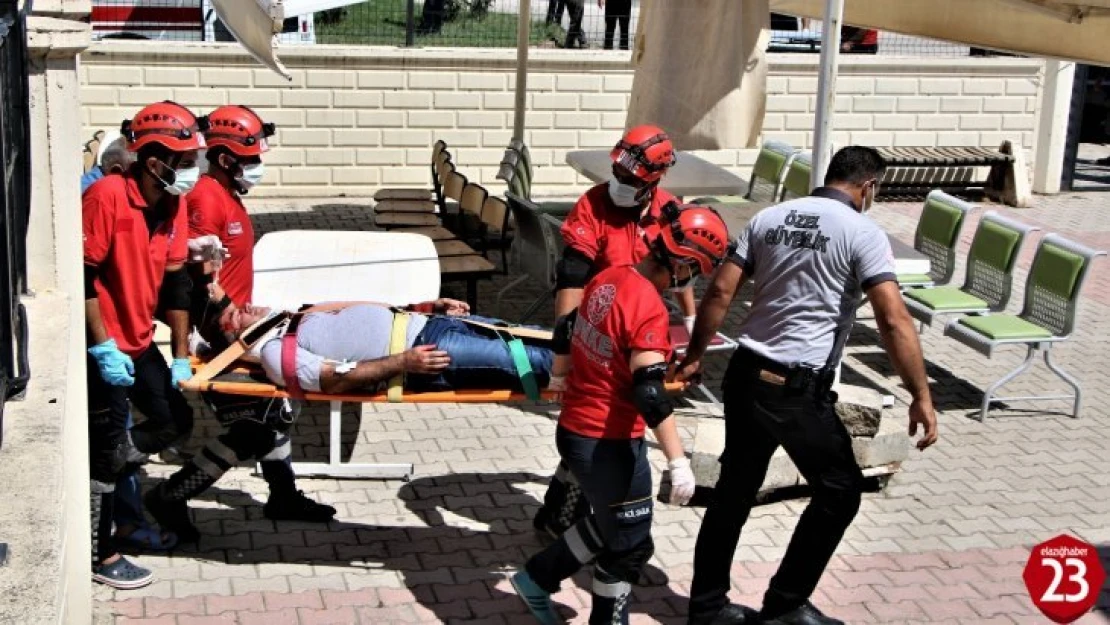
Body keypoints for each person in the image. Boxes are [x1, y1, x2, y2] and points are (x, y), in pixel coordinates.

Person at [679, 146, 939, 625]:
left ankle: (707, 606)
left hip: (745, 373)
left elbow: (718, 291)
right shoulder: (863, 232)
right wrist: (921, 395)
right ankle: (785, 603)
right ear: (870, 187)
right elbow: (893, 319)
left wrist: (695, 356)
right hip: (795, 389)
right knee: (840, 490)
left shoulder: (769, 218)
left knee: (734, 490)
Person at [510, 203, 732, 625]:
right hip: (608, 441)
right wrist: (678, 461)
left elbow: (565, 329)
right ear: (684, 265)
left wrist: (559, 377)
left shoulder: (610, 276)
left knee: (617, 527)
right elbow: (649, 394)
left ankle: (538, 577)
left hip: (577, 429)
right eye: (696, 271)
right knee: (630, 544)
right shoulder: (648, 309)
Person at [143, 104, 339, 543]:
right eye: (251, 159)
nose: (258, 166)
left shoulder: (225, 194)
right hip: (218, 338)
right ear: (227, 159)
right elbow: (189, 278)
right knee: (252, 430)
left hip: (235, 331)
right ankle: (171, 495)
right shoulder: (204, 198)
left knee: (275, 414)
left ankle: (283, 494)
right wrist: (222, 320)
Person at [533, 124, 698, 540]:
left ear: (655, 180)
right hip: (596, 325)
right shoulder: (594, 204)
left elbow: (682, 270)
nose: (619, 184)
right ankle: (588, 527)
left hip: (637, 329)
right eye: (618, 174)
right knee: (605, 421)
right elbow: (572, 274)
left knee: (607, 421)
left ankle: (559, 514)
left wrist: (693, 332)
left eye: (630, 180)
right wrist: (563, 354)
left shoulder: (668, 211)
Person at [83, 100, 204, 589]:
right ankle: (104, 554)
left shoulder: (172, 204)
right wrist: (102, 347)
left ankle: (119, 467)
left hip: (140, 342)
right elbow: (85, 274)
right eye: (187, 160)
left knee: (177, 418)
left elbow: (175, 286)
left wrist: (178, 353)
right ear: (155, 162)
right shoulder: (108, 196)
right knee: (106, 457)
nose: (193, 169)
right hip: (105, 346)